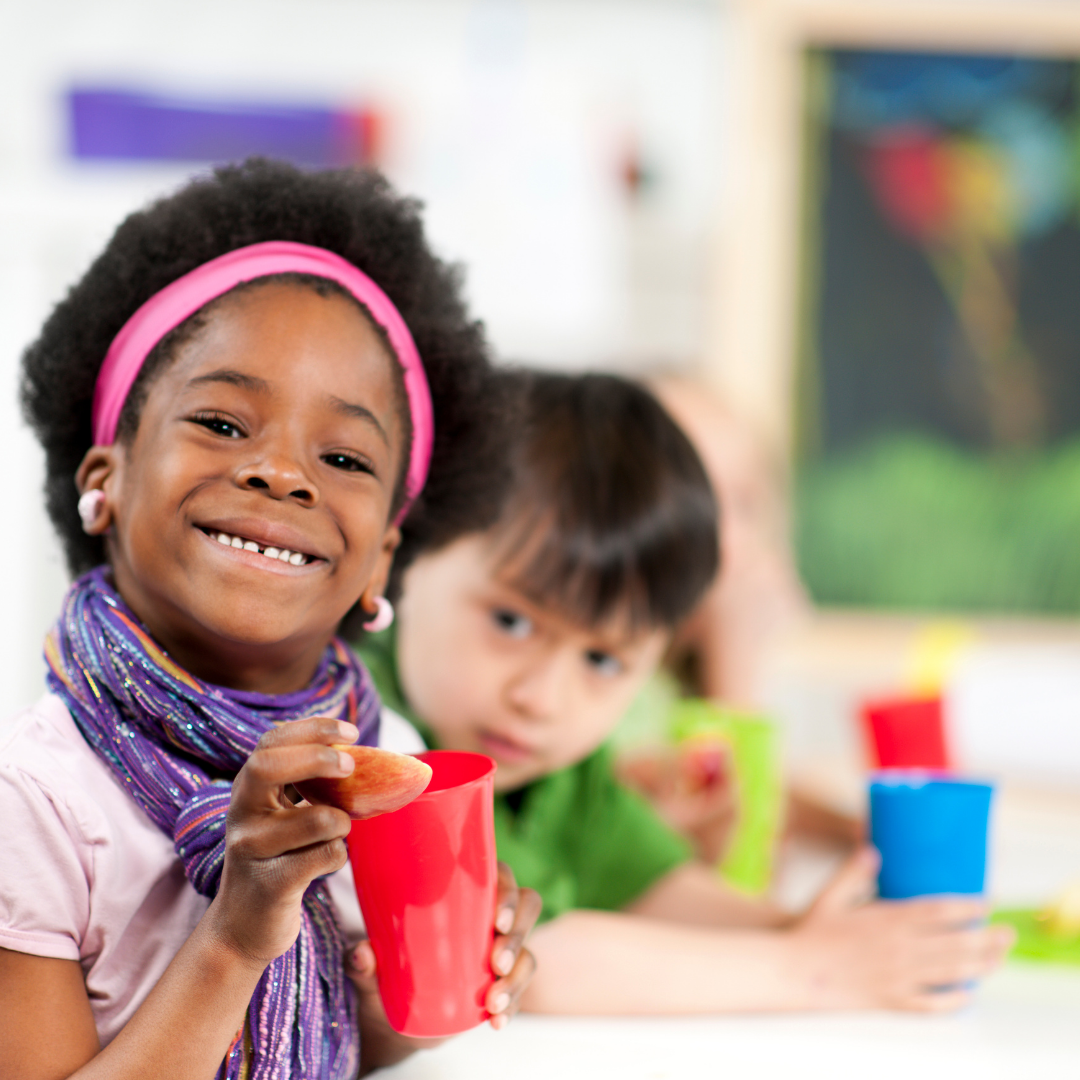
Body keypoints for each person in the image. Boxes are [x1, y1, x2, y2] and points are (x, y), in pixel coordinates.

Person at [0, 158, 540, 1080]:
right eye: (220, 422)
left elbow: (342, 1051)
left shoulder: (387, 759)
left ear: (380, 561)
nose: (282, 473)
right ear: (106, 483)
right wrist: (236, 936)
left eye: (344, 456)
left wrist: (434, 997)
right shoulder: (38, 802)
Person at [358, 369, 1014, 1015]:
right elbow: (529, 965)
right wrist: (811, 967)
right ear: (406, 550)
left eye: (604, 660)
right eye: (512, 621)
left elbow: (662, 887)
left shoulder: (569, 778)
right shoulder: (366, 728)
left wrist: (798, 929)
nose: (543, 698)